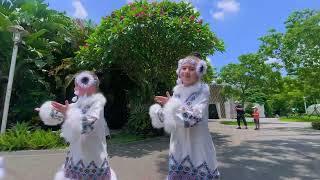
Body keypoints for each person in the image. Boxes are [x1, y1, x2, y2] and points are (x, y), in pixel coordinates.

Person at [149, 53, 220, 179]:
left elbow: (193, 118)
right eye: (184, 68)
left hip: (198, 146)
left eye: (192, 69)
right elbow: (170, 120)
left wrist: (171, 105)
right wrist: (161, 111)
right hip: (179, 145)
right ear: (179, 71)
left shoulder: (202, 91)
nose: (187, 71)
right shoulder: (177, 92)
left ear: (199, 72)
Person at [36, 71, 116, 180]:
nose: (76, 87)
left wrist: (67, 114)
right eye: (76, 84)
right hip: (76, 157)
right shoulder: (79, 103)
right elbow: (64, 113)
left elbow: (86, 126)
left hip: (92, 159)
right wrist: (48, 112)